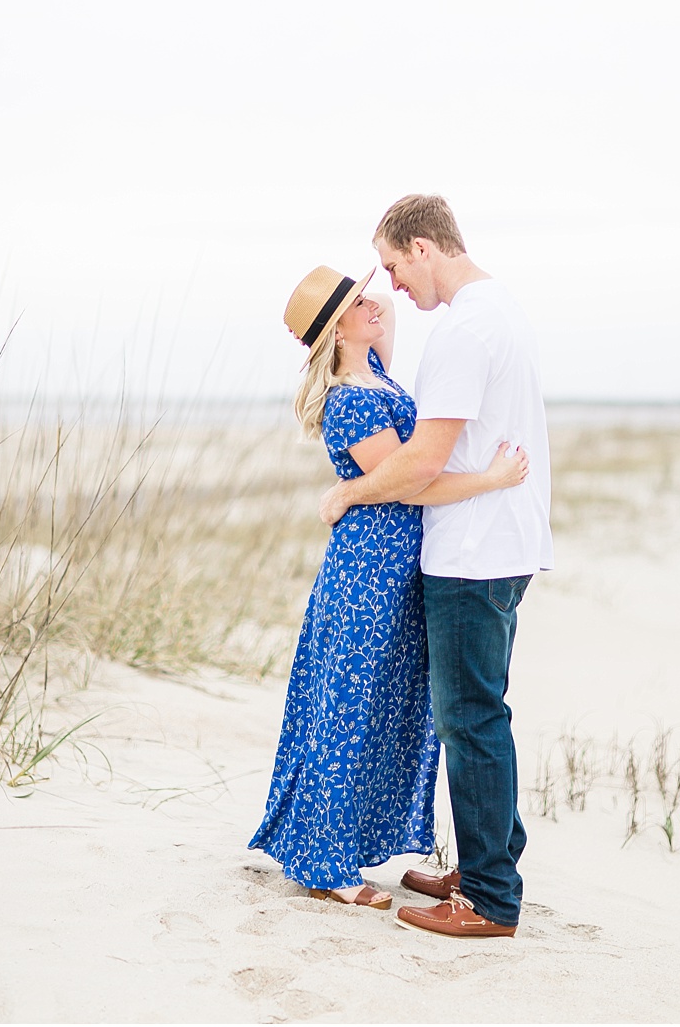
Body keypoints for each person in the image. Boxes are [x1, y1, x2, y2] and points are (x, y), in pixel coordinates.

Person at [250, 264, 528, 909]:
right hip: (369, 570)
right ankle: (325, 865)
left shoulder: (378, 373)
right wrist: (489, 480)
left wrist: (364, 299)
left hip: (402, 566)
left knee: (380, 711)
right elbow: (410, 483)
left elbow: (385, 315)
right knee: (347, 709)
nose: (375, 304)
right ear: (337, 331)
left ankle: (339, 847)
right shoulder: (351, 398)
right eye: (355, 304)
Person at [318, 194, 552, 939]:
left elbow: (422, 459)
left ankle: (487, 895)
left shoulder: (462, 328)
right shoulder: (499, 308)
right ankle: (489, 863)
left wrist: (349, 492)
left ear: (423, 247)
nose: (393, 287)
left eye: (392, 265)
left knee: (471, 717)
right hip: (501, 543)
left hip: (473, 551)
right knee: (483, 710)